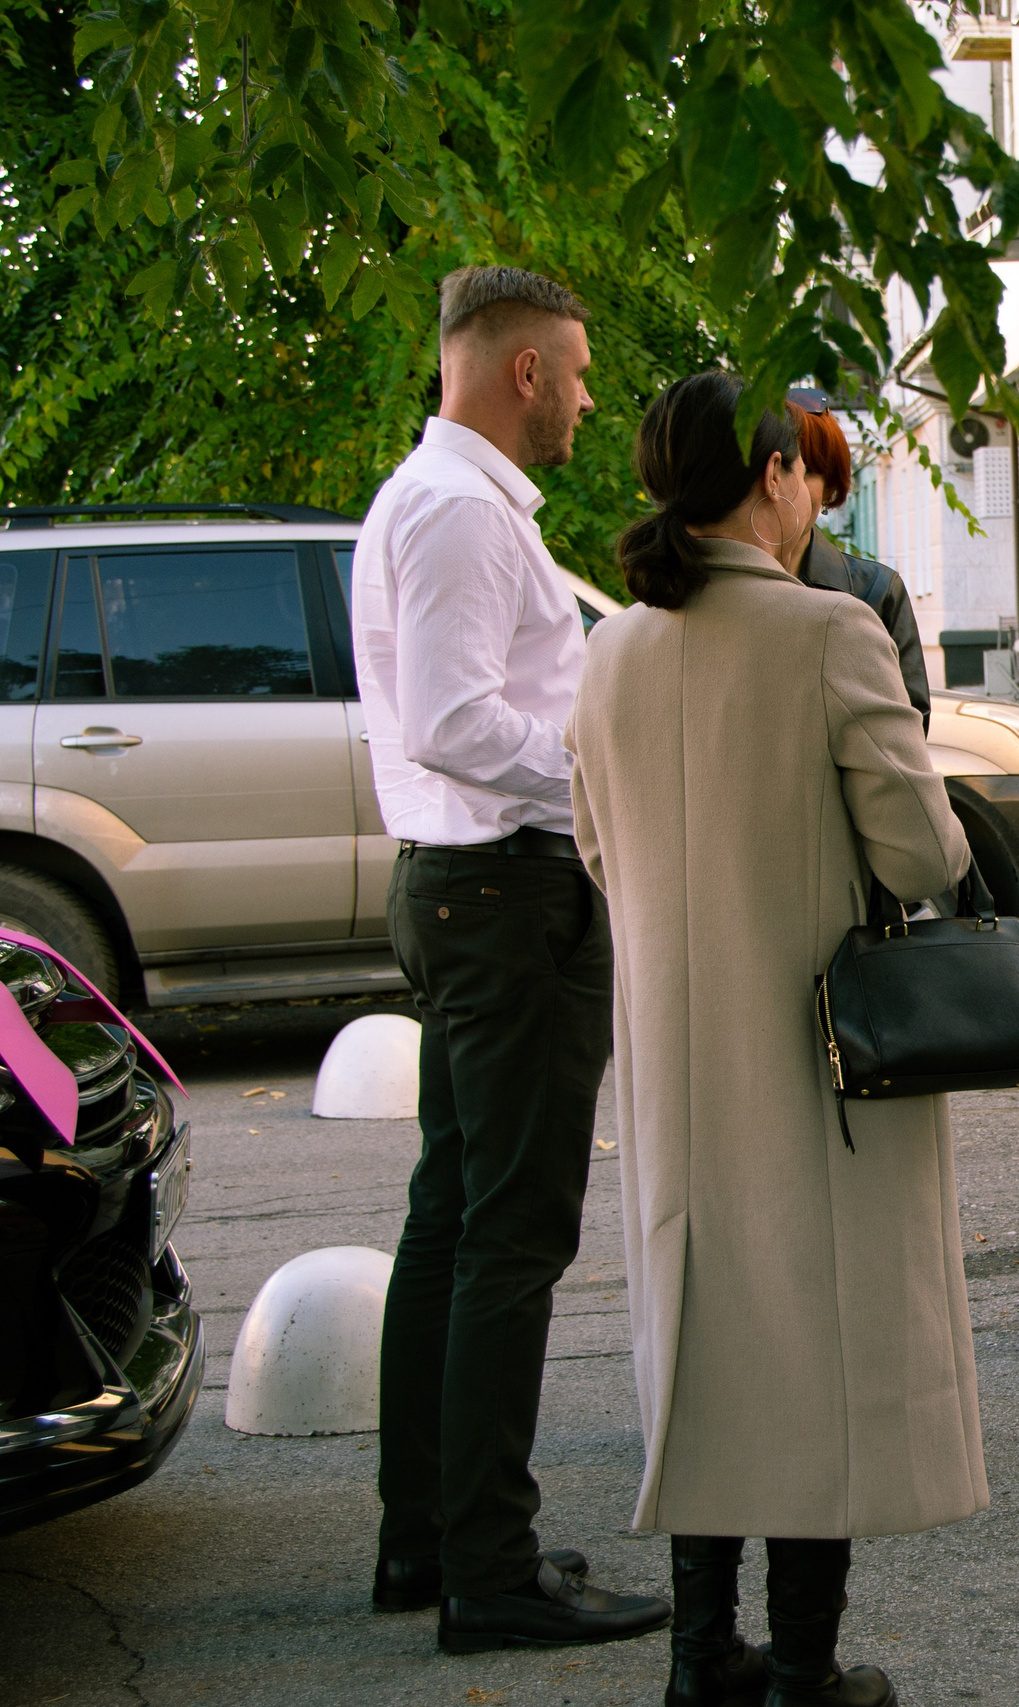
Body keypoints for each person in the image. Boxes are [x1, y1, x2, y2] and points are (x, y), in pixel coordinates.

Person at [567, 371, 981, 1707]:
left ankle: (702, 1658)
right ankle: (804, 1669)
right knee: (819, 1345)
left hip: (677, 1056)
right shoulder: (828, 630)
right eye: (803, 468)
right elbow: (920, 852)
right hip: (819, 1049)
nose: (814, 491)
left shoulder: (612, 646)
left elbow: (594, 846)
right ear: (771, 479)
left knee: (704, 1340)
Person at [353, 265, 670, 1652]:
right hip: (506, 896)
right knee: (511, 1232)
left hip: (470, 892)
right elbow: (453, 722)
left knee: (455, 1215)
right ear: (523, 371)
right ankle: (488, 1564)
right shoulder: (459, 510)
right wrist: (604, 776)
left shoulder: (444, 498)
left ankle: (428, 1540)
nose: (589, 400)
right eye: (579, 374)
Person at [783, 397, 932, 723]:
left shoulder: (877, 592)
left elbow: (911, 721)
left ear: (829, 489)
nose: (792, 486)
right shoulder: (723, 586)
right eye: (782, 468)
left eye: (809, 471)